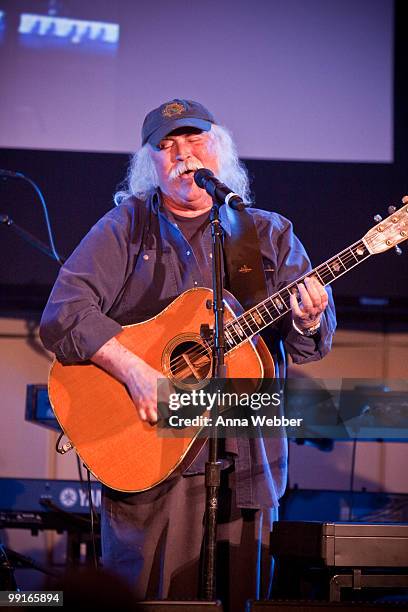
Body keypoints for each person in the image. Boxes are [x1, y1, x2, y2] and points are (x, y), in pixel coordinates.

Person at [40, 99, 336, 610]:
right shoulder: (126, 226)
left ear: (220, 150)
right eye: (167, 146)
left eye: (195, 140)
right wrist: (133, 370)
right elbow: (63, 314)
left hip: (248, 452)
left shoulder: (267, 233)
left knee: (242, 600)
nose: (183, 154)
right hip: (149, 452)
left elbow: (308, 344)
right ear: (148, 163)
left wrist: (309, 318)